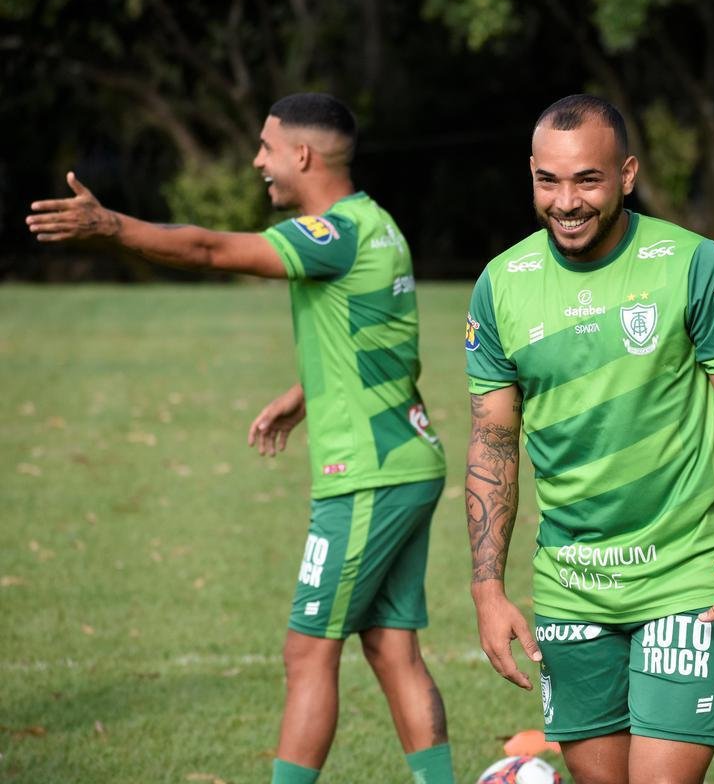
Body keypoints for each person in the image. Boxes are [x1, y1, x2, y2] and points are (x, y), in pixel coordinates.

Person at [27, 93, 455, 784]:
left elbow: (209, 247)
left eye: (266, 146)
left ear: (303, 155)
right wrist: (305, 393)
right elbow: (388, 346)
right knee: (389, 645)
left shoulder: (332, 234)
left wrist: (110, 225)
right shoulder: (379, 226)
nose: (258, 160)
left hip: (368, 476)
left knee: (306, 650)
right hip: (408, 461)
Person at [463, 94, 714, 784]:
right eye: (548, 180)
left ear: (627, 174)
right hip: (571, 588)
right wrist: (488, 590)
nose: (565, 201)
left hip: (689, 576)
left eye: (587, 179)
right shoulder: (500, 285)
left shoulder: (690, 264)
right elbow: (493, 442)